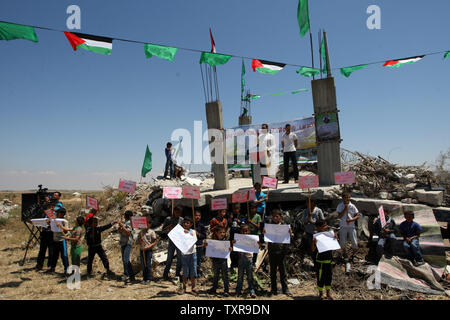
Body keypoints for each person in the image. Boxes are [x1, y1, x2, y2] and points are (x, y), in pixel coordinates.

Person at [264, 209, 293, 297]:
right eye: (274, 216)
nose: (275, 218)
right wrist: (264, 233)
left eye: (277, 216)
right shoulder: (269, 227)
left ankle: (285, 289)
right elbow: (265, 238)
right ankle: (274, 289)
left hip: (282, 251)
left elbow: (290, 238)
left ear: (280, 217)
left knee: (283, 271)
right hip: (272, 250)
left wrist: (290, 233)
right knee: (272, 271)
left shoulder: (285, 226)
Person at [312, 219, 336, 300]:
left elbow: (333, 244)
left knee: (328, 277)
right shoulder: (316, 236)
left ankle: (328, 293)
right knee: (320, 277)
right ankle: (320, 293)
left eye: (326, 225)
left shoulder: (329, 234)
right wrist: (314, 243)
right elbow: (312, 249)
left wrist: (335, 238)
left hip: (328, 260)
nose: (326, 227)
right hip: (320, 261)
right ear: (318, 227)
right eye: (323, 226)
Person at [206, 225, 231, 296]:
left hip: (223, 261)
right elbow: (210, 250)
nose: (222, 234)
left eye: (223, 232)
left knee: (225, 275)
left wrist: (230, 249)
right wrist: (207, 246)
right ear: (216, 233)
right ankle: (214, 288)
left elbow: (229, 250)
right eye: (220, 232)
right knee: (216, 275)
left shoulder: (226, 241)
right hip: (215, 261)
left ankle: (226, 290)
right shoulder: (213, 241)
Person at [234, 224, 257, 298]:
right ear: (240, 231)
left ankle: (252, 291)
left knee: (250, 276)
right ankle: (238, 291)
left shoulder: (252, 239)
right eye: (243, 231)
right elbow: (234, 248)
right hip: (241, 259)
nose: (245, 233)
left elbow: (257, 248)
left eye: (246, 231)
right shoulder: (238, 239)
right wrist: (234, 243)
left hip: (249, 259)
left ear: (249, 231)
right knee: (240, 276)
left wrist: (257, 244)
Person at [162, 206, 183, 281]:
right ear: (173, 211)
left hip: (179, 241)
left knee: (179, 258)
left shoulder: (181, 220)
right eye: (176, 212)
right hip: (171, 240)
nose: (178, 214)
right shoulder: (169, 219)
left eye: (179, 213)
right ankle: (165, 274)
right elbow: (163, 229)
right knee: (169, 258)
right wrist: (169, 227)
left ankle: (177, 274)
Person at [336, 191, 359, 260]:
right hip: (343, 226)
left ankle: (353, 254)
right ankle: (344, 253)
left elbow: (357, 216)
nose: (348, 199)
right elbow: (339, 216)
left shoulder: (352, 206)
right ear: (343, 198)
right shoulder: (340, 206)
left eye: (349, 197)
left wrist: (351, 220)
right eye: (346, 197)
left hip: (351, 226)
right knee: (343, 242)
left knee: (354, 242)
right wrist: (345, 209)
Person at [178, 217, 198, 295]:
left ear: (191, 224)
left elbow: (193, 240)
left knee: (193, 271)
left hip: (192, 253)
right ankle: (184, 288)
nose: (186, 224)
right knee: (185, 271)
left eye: (188, 223)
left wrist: (187, 233)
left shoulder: (193, 232)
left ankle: (193, 288)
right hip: (184, 254)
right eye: (184, 223)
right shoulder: (180, 232)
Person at [47, 207, 69, 274]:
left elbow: (66, 232)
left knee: (64, 255)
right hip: (55, 240)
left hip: (62, 240)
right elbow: (50, 226)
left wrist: (63, 225)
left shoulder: (65, 221)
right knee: (54, 255)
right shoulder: (54, 220)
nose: (57, 214)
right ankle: (52, 268)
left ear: (62, 214)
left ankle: (66, 269)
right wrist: (49, 222)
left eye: (58, 213)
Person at [138, 217, 158, 284]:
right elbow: (138, 241)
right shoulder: (141, 232)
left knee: (148, 264)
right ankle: (144, 278)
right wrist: (140, 241)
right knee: (143, 264)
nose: (147, 224)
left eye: (148, 223)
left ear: (150, 224)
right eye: (146, 223)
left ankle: (148, 278)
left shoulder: (152, 232)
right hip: (142, 250)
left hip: (148, 250)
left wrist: (149, 246)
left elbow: (154, 241)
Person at [117, 210, 135, 283]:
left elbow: (128, 232)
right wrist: (120, 228)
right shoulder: (125, 223)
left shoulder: (129, 223)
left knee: (126, 260)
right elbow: (121, 232)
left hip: (127, 242)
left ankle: (129, 275)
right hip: (123, 242)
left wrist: (122, 226)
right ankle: (127, 274)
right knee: (124, 260)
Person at [228, 203, 246, 270]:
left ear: (239, 208)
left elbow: (244, 225)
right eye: (234, 209)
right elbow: (229, 224)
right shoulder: (231, 216)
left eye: (237, 208)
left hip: (239, 237)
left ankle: (239, 266)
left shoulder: (241, 216)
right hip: (232, 236)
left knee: (239, 252)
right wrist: (230, 218)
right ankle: (233, 265)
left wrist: (240, 223)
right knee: (232, 252)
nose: (236, 210)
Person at [194, 211, 206, 277]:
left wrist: (198, 234)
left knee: (198, 260)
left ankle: (197, 273)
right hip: (192, 245)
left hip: (199, 245)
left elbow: (204, 235)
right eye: (196, 215)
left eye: (199, 215)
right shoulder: (191, 225)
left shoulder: (201, 225)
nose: (197, 217)